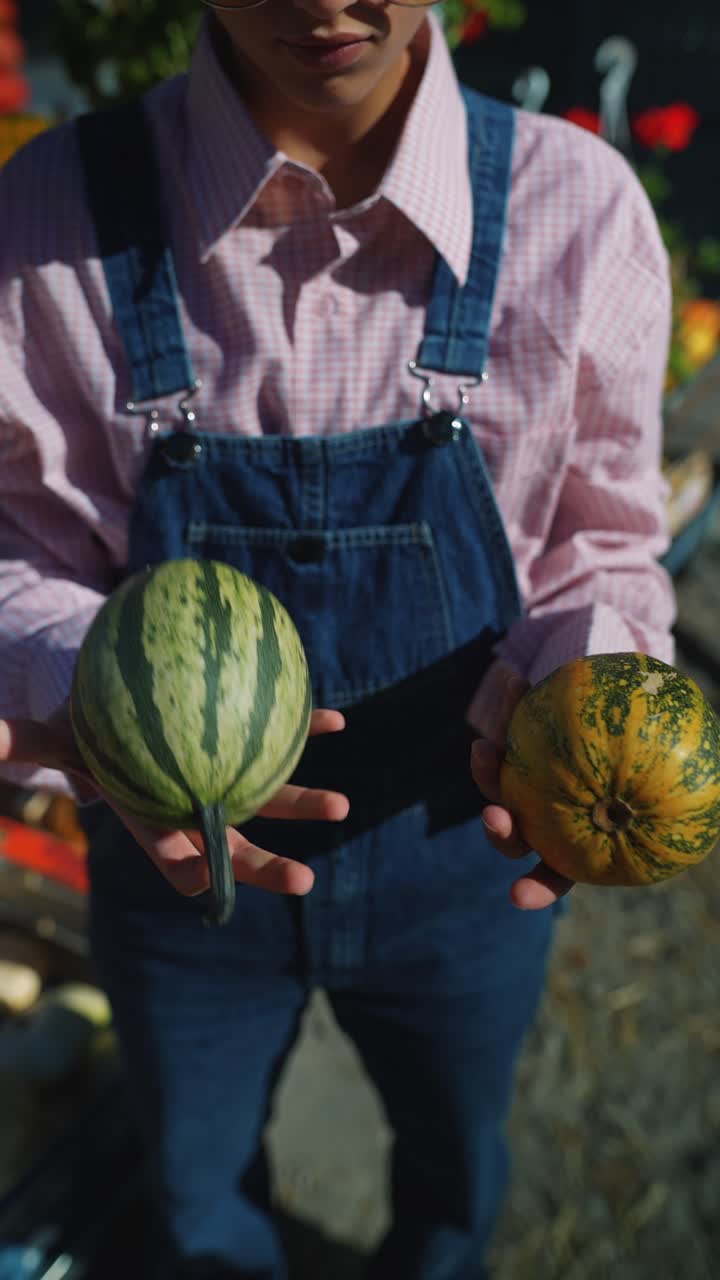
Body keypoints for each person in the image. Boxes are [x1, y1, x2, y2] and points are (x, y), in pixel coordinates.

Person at [0, 0, 675, 1275]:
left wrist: (595, 670)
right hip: (175, 861)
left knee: (454, 1166)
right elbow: (13, 552)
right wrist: (95, 680)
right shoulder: (45, 225)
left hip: (466, 862)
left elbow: (605, 540)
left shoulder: (576, 212)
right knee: (197, 1192)